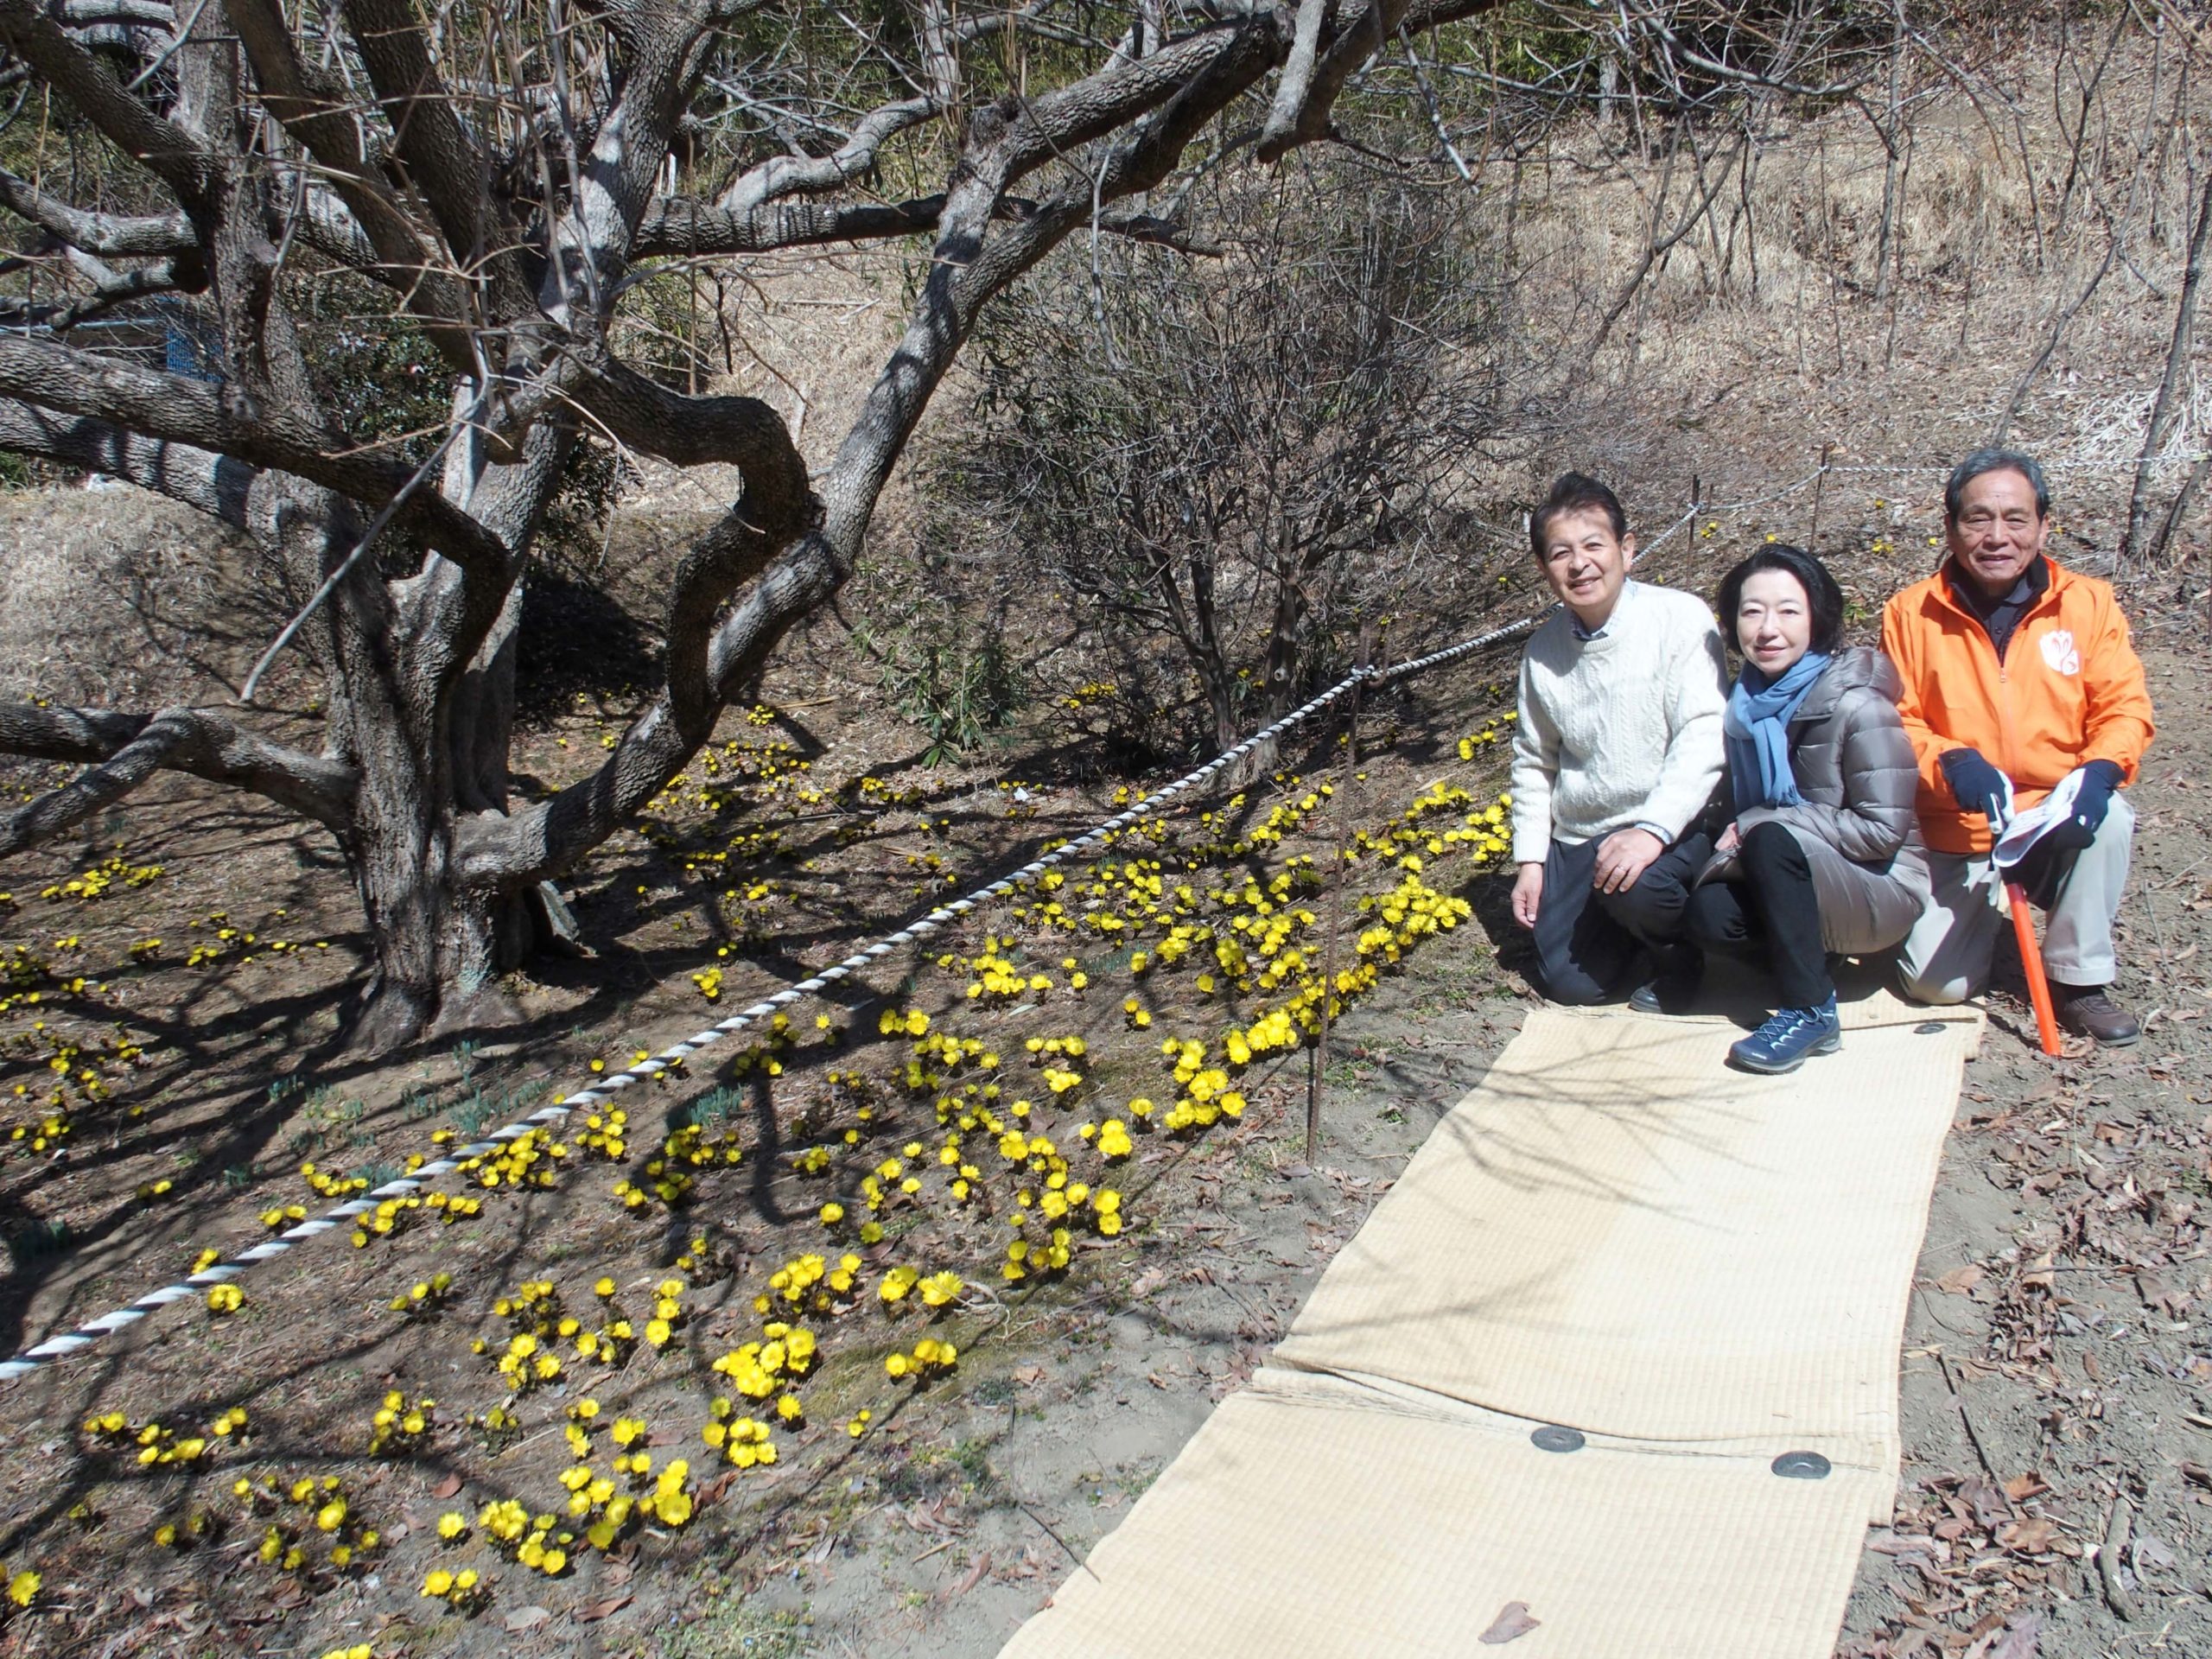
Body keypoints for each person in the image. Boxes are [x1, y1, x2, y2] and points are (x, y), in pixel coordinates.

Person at [1883, 450, 2156, 1044]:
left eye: (2015, 518)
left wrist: (2100, 772)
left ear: (2043, 526)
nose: (1997, 537)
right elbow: (1896, 720)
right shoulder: (1910, 613)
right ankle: (1975, 915)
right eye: (1978, 519)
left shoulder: (2088, 603)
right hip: (1960, 818)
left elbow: (2124, 707)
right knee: (1935, 986)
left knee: (2112, 816)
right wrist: (1950, 760)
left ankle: (2079, 980)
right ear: (1951, 527)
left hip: (2054, 809)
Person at [1681, 545, 1929, 1073]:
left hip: (1881, 882)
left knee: (1771, 837)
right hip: (1801, 876)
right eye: (1752, 612)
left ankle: (1811, 1010)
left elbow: (1882, 831)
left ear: (1818, 618)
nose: (1768, 629)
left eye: (1788, 611)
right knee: (1711, 915)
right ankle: (1817, 963)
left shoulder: (1858, 705)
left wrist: (1764, 821)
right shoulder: (1743, 707)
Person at [1510, 472, 1728, 1006]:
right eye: (1561, 553)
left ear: (1626, 549)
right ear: (1544, 568)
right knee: (1571, 984)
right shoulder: (1542, 653)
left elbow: (1704, 732)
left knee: (1640, 888)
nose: (1579, 564)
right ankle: (1634, 936)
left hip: (1673, 823)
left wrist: (1653, 829)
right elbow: (1534, 762)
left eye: (1593, 546)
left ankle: (1682, 955)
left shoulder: (1679, 618)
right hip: (1583, 832)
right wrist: (1530, 862)